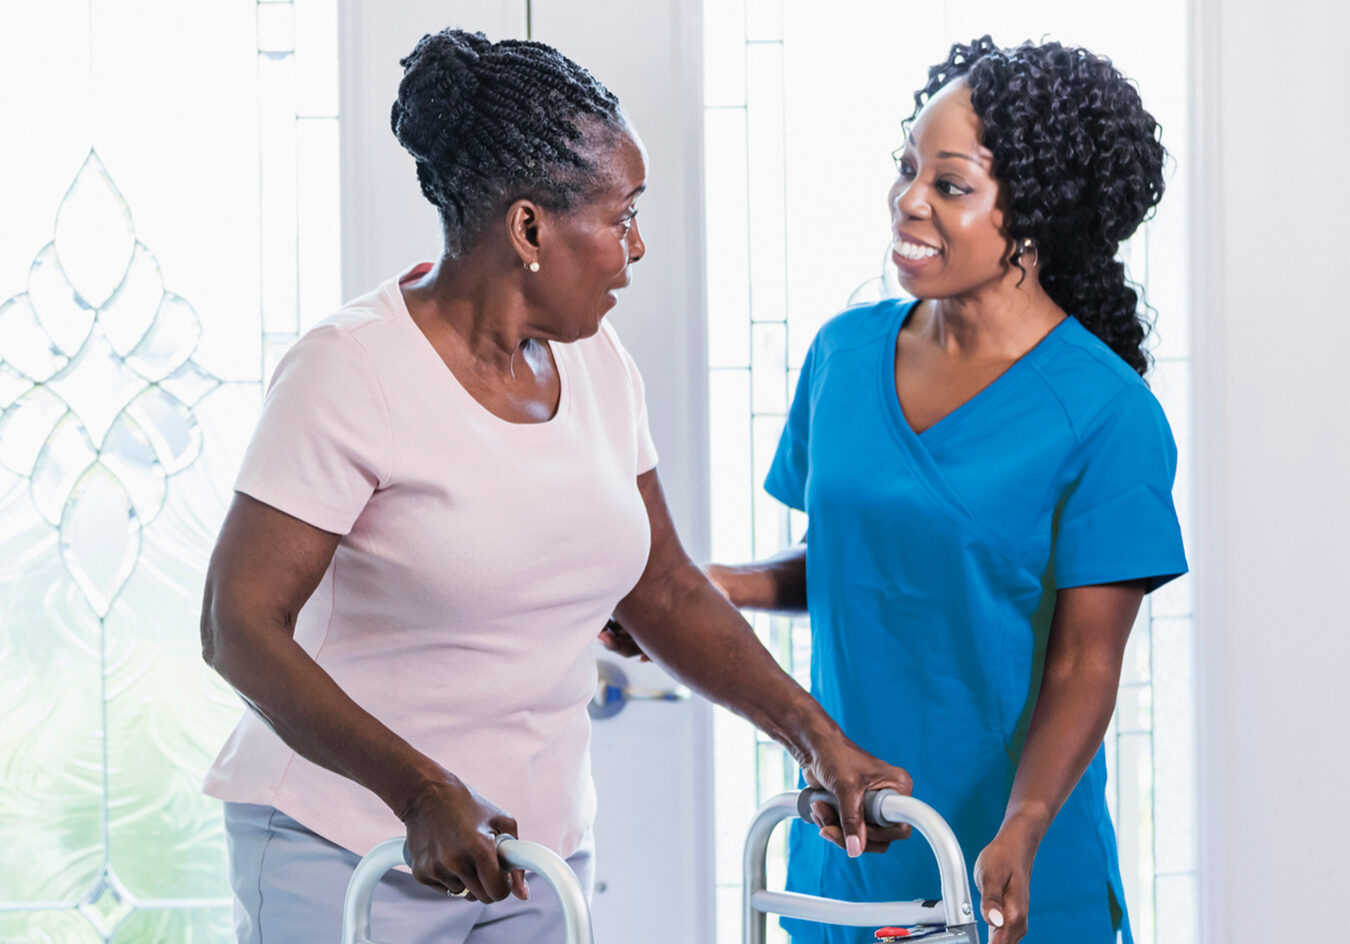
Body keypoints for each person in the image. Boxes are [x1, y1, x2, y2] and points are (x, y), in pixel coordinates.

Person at [198, 28, 909, 944]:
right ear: (529, 227)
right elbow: (237, 626)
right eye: (621, 218)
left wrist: (818, 739)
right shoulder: (351, 370)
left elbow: (663, 589)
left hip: (533, 859)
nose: (638, 247)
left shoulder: (601, 367)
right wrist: (420, 791)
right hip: (344, 849)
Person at [700, 36, 1187, 944]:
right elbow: (862, 566)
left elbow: (1088, 662)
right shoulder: (844, 358)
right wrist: (714, 590)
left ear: (1035, 214)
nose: (908, 201)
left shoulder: (1105, 414)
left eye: (950, 185)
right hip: (850, 846)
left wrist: (1027, 824)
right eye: (907, 167)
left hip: (1009, 861)